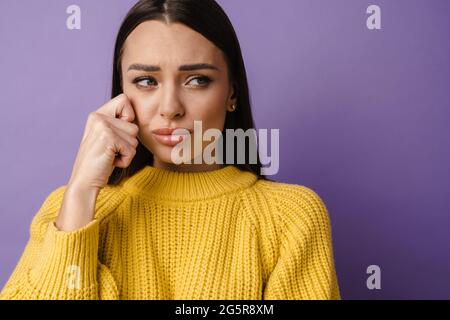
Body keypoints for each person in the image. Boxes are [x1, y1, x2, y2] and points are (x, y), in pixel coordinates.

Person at [0, 0, 340, 300]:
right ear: (122, 94)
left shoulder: (290, 218)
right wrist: (79, 194)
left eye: (196, 80)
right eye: (146, 82)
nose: (170, 108)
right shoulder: (69, 212)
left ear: (232, 92)